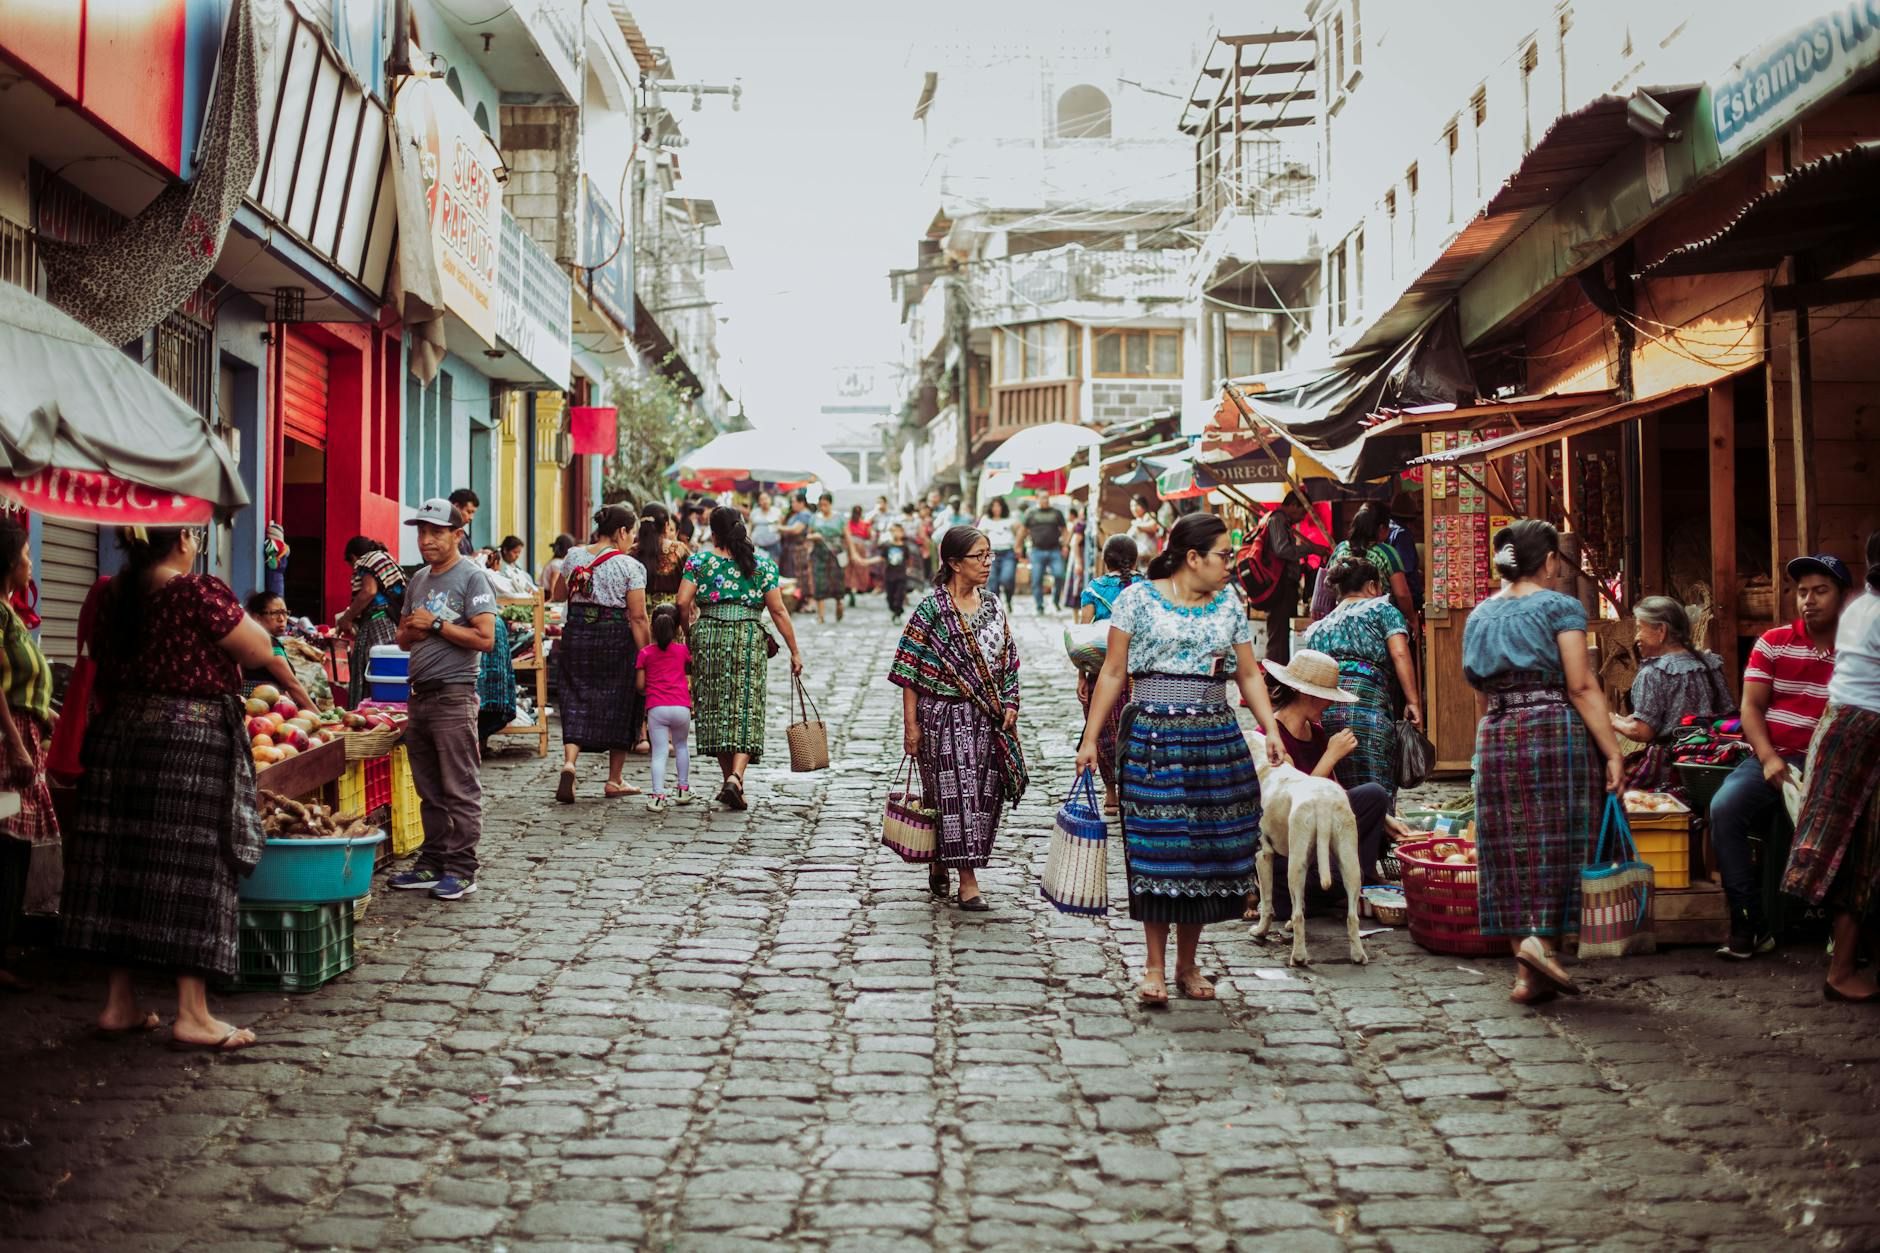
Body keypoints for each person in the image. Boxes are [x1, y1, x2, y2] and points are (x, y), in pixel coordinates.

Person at [61, 526, 276, 1049]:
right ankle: (193, 1014)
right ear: (183, 536)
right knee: (192, 872)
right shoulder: (195, 590)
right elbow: (258, 649)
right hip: (187, 745)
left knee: (121, 870)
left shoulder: (111, 593)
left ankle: (118, 1004)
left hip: (119, 738)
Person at [1079, 513, 1286, 1004]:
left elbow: (1249, 675)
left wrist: (1271, 727)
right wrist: (1090, 740)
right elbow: (1112, 673)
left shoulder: (1229, 606)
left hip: (1215, 739)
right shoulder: (1136, 601)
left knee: (1203, 850)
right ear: (1192, 558)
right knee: (1158, 847)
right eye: (1223, 556)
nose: (1230, 565)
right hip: (1154, 737)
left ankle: (1188, 965)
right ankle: (1152, 966)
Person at [1463, 520, 1623, 1005]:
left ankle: (1527, 974)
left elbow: (1480, 688)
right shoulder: (1560, 606)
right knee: (1556, 841)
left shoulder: (1479, 614)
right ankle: (1541, 946)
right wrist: (1613, 751)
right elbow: (1580, 685)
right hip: (1553, 731)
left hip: (1497, 730)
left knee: (1509, 847)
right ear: (1550, 560)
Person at [1711, 553, 1851, 959]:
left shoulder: (1855, 650)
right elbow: (1751, 708)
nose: (1809, 600)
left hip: (1833, 763)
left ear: (1843, 597)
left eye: (1821, 591)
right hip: (1775, 756)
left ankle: (1841, 928)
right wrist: (1770, 759)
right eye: (1802, 591)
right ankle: (1748, 922)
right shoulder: (1772, 642)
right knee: (1725, 807)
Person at [891, 526, 1027, 911]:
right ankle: (968, 880)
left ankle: (940, 856)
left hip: (988, 719)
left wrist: (1011, 703)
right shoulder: (932, 610)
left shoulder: (994, 605)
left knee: (984, 797)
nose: (987, 563)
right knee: (957, 797)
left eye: (989, 555)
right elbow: (908, 669)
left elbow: (1009, 660)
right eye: (978, 557)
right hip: (943, 717)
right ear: (953, 563)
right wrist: (911, 725)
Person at [1784, 533, 1880, 1001]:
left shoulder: (1862, 607)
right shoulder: (1874, 612)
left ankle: (1846, 965)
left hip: (1842, 727)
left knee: (1855, 850)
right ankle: (1841, 971)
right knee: (1857, 853)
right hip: (1864, 735)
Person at [385, 500, 496, 901]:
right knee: (428, 789)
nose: (426, 540)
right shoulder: (418, 581)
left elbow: (485, 639)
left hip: (454, 696)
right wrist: (415, 631)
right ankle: (432, 862)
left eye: (436, 532)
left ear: (457, 534)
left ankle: (463, 868)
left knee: (459, 787)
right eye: (421, 532)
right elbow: (400, 638)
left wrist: (435, 624)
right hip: (419, 696)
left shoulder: (472, 578)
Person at [676, 507, 804, 811]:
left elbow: (682, 601)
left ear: (714, 532)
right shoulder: (761, 564)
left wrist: (689, 631)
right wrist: (795, 651)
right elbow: (778, 610)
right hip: (747, 639)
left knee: (716, 710)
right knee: (746, 708)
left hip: (709, 638)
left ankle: (730, 781)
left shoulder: (700, 562)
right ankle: (736, 776)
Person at [1264, 650, 1407, 905]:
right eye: (1326, 698)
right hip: (1291, 843)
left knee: (1374, 796)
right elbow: (1290, 811)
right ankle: (1325, 890)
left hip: (1321, 832)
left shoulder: (1316, 733)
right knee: (1336, 883)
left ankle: (1352, 882)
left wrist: (1383, 817)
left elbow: (1335, 791)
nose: (1330, 704)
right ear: (1306, 693)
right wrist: (1330, 756)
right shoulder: (1272, 737)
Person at [553, 504, 651, 803]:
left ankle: (570, 763)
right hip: (615, 639)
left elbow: (558, 595)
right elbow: (637, 617)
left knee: (575, 695)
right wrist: (646, 653)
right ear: (622, 531)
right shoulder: (630, 566)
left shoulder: (573, 556)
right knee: (620, 701)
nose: (632, 540)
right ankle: (614, 779)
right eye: (631, 533)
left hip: (577, 635)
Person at [1304, 556, 1423, 800]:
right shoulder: (1382, 610)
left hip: (1328, 711)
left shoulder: (1319, 627)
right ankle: (1377, 835)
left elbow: (1311, 673)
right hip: (1369, 708)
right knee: (1376, 785)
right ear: (1371, 586)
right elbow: (1399, 653)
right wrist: (1413, 701)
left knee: (1339, 787)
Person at [0, 520, 55, 992]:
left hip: (22, 735)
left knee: (12, 844)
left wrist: (45, 716)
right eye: (26, 554)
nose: (31, 563)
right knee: (5, 841)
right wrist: (17, 743)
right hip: (5, 744)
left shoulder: (8, 610)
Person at [1608, 595, 1735, 791]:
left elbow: (1643, 731)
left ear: (1661, 630)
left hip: (1672, 768)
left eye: (1640, 628)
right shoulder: (1710, 665)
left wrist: (1613, 722)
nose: (1636, 637)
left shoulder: (1653, 673)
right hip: (1713, 764)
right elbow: (1727, 713)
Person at [1076, 535, 1143, 814]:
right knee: (1137, 731)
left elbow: (1083, 639)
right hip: (1139, 674)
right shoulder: (1147, 588)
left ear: (1105, 560)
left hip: (1103, 672)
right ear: (1136, 559)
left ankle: (1111, 791)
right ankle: (1136, 787)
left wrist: (1081, 676)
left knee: (1104, 731)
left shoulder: (1093, 590)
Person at [1310, 501, 1414, 624]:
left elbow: (1328, 584)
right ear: (1381, 529)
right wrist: (1412, 619)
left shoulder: (1340, 549)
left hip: (1343, 622)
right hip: (1380, 624)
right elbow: (1402, 594)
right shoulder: (1386, 553)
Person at [334, 535, 406, 706]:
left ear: (353, 557)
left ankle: (370, 709)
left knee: (374, 670)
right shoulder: (384, 558)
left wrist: (347, 618)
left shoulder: (368, 561)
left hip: (378, 622)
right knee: (388, 672)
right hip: (390, 621)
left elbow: (369, 591)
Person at [638, 603, 695, 812]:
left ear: (652, 627)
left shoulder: (645, 654)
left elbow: (640, 685)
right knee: (681, 746)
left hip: (656, 709)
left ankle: (657, 795)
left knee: (659, 752)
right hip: (681, 707)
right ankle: (683, 788)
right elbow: (690, 671)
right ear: (677, 628)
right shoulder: (682, 651)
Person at [1261, 494, 1330, 665]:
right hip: (1280, 587)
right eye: (1302, 512)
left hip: (1286, 587)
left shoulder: (1283, 522)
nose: (1302, 517)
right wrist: (1310, 549)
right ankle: (1274, 684)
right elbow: (1282, 550)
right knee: (1278, 638)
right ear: (1292, 505)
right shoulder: (1277, 520)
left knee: (1282, 636)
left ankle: (1279, 683)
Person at [241, 591, 317, 710]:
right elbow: (291, 684)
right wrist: (318, 715)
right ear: (257, 617)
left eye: (284, 613)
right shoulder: (267, 643)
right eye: (275, 613)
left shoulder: (248, 639)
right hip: (264, 712)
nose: (282, 619)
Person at [1021, 496, 1069, 615]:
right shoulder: (1031, 514)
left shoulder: (1056, 513)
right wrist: (1018, 546)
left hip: (1054, 549)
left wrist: (1065, 545)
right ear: (1038, 500)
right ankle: (1039, 605)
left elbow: (1064, 530)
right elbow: (1023, 531)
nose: (1045, 501)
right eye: (1042, 498)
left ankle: (1056, 600)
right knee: (1037, 578)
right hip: (1037, 550)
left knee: (1059, 574)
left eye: (1046, 498)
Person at [805, 495, 848, 623]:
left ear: (830, 504)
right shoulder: (814, 518)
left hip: (836, 553)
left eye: (825, 504)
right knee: (819, 581)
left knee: (837, 580)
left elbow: (847, 537)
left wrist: (853, 554)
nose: (823, 507)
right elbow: (808, 535)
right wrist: (814, 536)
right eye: (821, 505)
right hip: (819, 552)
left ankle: (839, 604)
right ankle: (821, 615)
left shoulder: (839, 518)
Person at [979, 497, 1019, 610]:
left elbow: (1020, 532)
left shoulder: (1011, 518)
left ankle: (1009, 598)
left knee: (1007, 578)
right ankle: (996, 605)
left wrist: (1018, 546)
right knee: (992, 580)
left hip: (1008, 552)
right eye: (994, 506)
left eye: (999, 506)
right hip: (992, 552)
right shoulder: (986, 519)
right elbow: (979, 535)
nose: (996, 509)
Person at [781, 492, 815, 604]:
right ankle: (798, 599)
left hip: (800, 549)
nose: (792, 504)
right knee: (795, 574)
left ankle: (805, 600)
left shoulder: (804, 515)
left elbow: (796, 530)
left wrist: (779, 528)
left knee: (801, 575)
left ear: (801, 503)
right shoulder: (797, 514)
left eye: (794, 502)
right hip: (792, 549)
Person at [882, 522, 913, 623]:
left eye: (898, 531)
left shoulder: (904, 547)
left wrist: (909, 568)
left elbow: (909, 559)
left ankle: (898, 613)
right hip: (889, 575)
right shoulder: (887, 546)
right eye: (893, 531)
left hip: (901, 575)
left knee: (899, 595)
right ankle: (893, 610)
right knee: (889, 596)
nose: (896, 533)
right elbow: (882, 558)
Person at [845, 504, 877, 603]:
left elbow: (869, 536)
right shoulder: (847, 524)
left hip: (859, 548)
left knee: (858, 569)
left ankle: (853, 589)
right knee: (850, 570)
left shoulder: (864, 524)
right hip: (850, 548)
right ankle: (850, 588)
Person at [749, 491, 785, 569]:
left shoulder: (777, 511)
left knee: (773, 568)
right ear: (759, 502)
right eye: (761, 499)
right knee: (759, 568)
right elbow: (750, 528)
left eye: (766, 498)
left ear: (770, 499)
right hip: (758, 546)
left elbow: (781, 527)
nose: (764, 501)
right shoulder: (754, 512)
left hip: (773, 545)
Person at [1127, 495, 1164, 561]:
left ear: (1143, 505)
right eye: (1132, 506)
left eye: (1136, 505)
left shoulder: (1149, 515)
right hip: (1137, 560)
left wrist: (1138, 526)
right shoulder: (1136, 521)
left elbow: (1153, 528)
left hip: (1148, 558)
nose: (1134, 508)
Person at [449, 488, 480, 556]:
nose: (471, 518)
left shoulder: (463, 535)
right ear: (456, 507)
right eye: (469, 512)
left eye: (473, 513)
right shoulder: (444, 533)